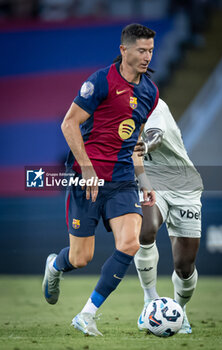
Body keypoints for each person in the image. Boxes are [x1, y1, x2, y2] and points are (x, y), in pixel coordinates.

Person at [42, 23, 159, 336]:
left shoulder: (150, 92)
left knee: (131, 242)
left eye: (150, 50)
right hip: (87, 180)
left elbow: (134, 143)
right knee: (81, 258)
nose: (147, 56)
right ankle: (55, 266)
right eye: (141, 50)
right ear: (124, 50)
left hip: (122, 180)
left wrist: (145, 183)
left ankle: (87, 314)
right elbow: (69, 125)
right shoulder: (101, 81)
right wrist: (88, 168)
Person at [133, 98, 203, 334]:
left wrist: (145, 145)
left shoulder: (154, 104)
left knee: (184, 266)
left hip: (184, 185)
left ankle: (179, 312)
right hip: (151, 182)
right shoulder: (114, 111)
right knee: (146, 229)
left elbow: (155, 135)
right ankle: (150, 301)